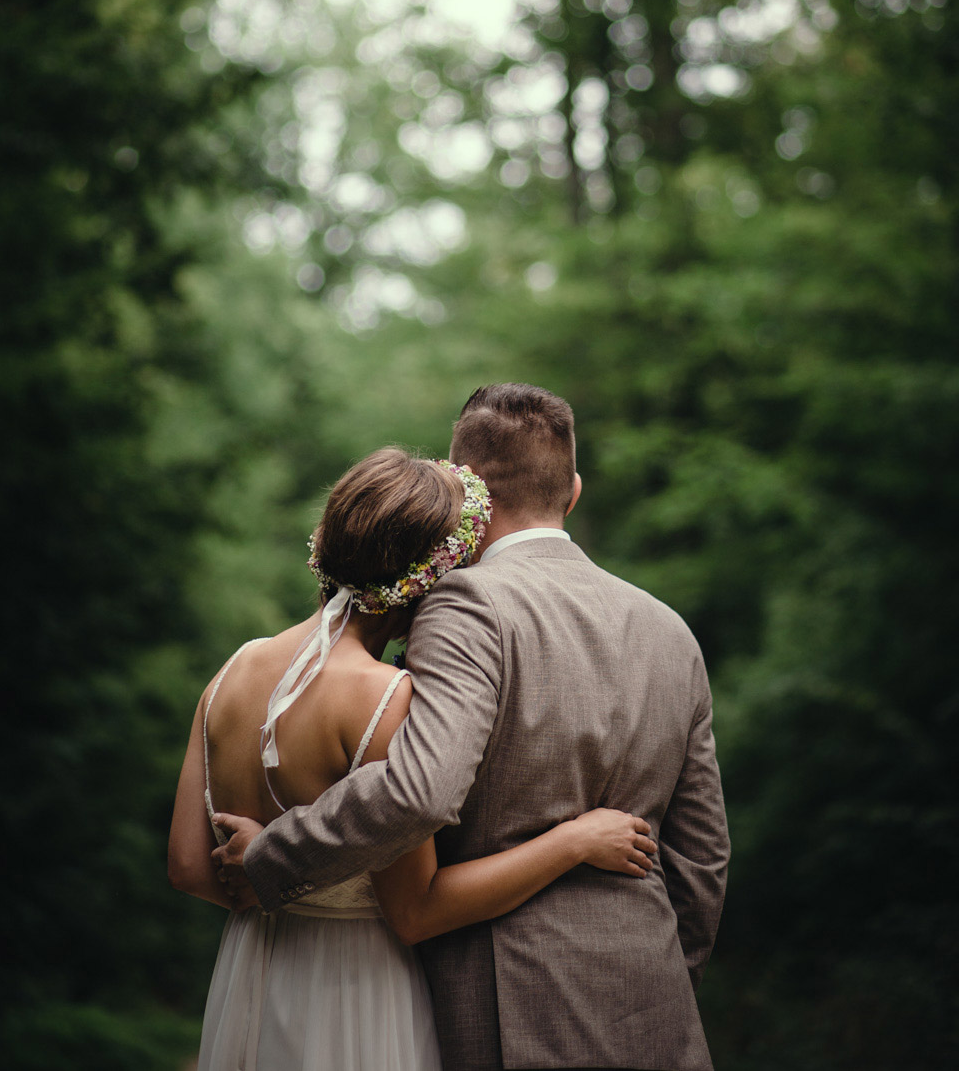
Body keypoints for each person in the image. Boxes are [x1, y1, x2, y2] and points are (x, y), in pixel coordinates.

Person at [214, 386, 730, 1071]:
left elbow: (420, 791)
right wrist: (662, 981)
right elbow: (702, 860)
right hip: (657, 1013)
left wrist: (275, 856)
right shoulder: (670, 631)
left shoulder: (465, 604)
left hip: (507, 1011)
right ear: (573, 491)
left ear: (466, 494)